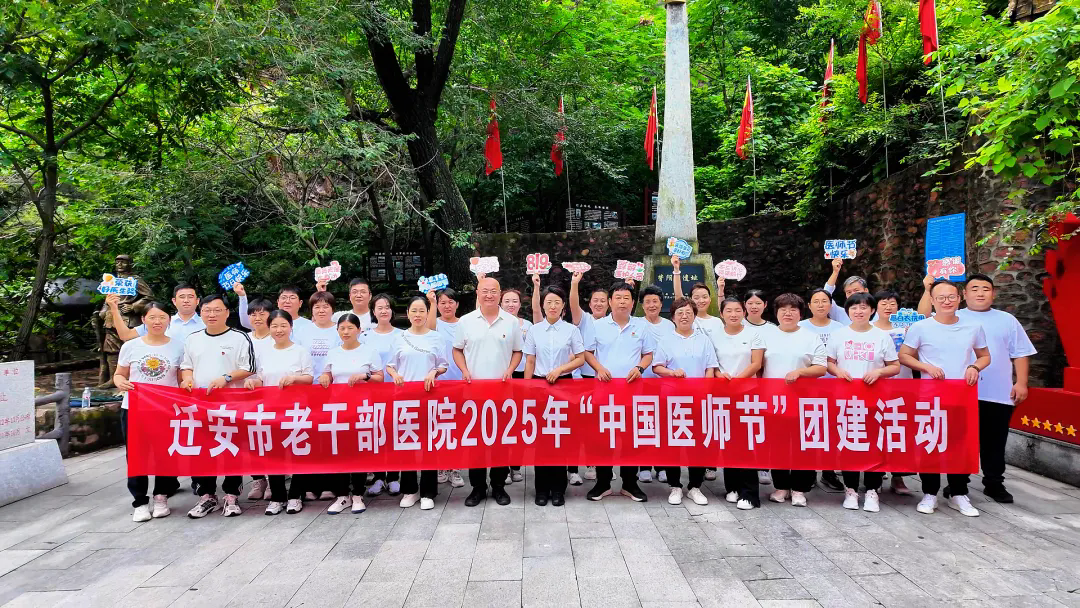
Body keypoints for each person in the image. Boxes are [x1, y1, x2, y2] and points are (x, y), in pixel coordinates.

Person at [899, 279, 991, 517]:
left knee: (960, 445)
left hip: (962, 395)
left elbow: (984, 356)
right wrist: (926, 367)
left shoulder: (973, 327)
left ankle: (958, 493)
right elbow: (904, 355)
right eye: (941, 297)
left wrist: (974, 367)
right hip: (930, 396)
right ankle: (929, 493)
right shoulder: (921, 327)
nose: (946, 301)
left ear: (959, 298)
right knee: (930, 443)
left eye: (951, 297)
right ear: (932, 300)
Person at [956, 273, 1036, 504]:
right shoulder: (954, 317)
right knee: (962, 440)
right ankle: (958, 484)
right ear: (964, 294)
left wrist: (1021, 382)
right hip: (961, 392)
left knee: (995, 440)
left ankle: (994, 483)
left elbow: (1020, 353)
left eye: (985, 289)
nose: (980, 293)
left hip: (998, 391)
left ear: (993, 293)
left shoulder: (1007, 320)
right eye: (974, 289)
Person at [180, 294, 256, 518]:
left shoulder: (240, 337)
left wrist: (226, 378)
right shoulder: (193, 339)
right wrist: (187, 379)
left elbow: (249, 367)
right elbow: (186, 366)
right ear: (200, 313)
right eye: (207, 310)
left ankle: (232, 495)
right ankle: (206, 496)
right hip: (200, 405)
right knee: (203, 449)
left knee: (231, 448)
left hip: (231, 404)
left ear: (226, 313)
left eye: (217, 310)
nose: (211, 314)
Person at [826, 293, 901, 512]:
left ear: (872, 310)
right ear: (848, 311)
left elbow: (895, 366)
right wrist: (837, 371)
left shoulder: (881, 336)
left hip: (875, 400)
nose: (859, 311)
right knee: (849, 443)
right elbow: (828, 362)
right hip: (845, 400)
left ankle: (872, 490)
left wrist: (879, 372)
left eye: (864, 307)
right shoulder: (839, 335)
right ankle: (850, 489)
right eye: (854, 308)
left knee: (875, 446)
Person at [453, 277, 523, 507]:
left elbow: (518, 351)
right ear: (477, 292)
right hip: (473, 394)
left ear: (500, 293)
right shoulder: (466, 321)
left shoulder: (511, 322)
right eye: (485, 291)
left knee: (501, 442)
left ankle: (499, 486)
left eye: (494, 291)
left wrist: (510, 370)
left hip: (502, 393)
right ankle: (477, 488)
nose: (489, 295)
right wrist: (464, 370)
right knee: (476, 444)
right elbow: (457, 350)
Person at [584, 282, 655, 502]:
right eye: (618, 297)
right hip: (604, 390)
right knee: (603, 438)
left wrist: (640, 368)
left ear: (633, 303)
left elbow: (649, 354)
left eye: (626, 298)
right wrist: (599, 368)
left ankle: (630, 483)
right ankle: (603, 483)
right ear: (610, 301)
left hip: (632, 391)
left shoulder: (642, 326)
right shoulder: (597, 325)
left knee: (630, 439)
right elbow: (587, 352)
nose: (622, 302)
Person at [113, 301, 184, 522]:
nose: (157, 322)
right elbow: (119, 374)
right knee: (136, 454)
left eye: (162, 317)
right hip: (135, 408)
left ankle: (161, 496)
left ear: (169, 320)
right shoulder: (131, 346)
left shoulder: (179, 347)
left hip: (166, 410)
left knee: (166, 453)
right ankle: (140, 502)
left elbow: (182, 380)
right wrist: (120, 382)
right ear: (143, 320)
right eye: (152, 317)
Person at [243, 310, 314, 515]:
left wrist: (294, 379)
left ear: (291, 327)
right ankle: (277, 497)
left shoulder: (300, 351)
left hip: (296, 410)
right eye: (274, 326)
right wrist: (253, 382)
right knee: (274, 455)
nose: (279, 330)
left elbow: (309, 378)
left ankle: (295, 495)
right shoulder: (265, 352)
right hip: (271, 410)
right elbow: (261, 378)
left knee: (298, 452)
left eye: (283, 325)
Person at [761, 293, 827, 507]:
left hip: (803, 401)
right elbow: (757, 364)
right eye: (783, 309)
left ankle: (800, 488)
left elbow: (821, 367)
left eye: (793, 309)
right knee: (777, 445)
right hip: (774, 401)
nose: (788, 313)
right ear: (776, 313)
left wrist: (800, 372)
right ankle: (781, 486)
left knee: (803, 445)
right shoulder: (766, 335)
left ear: (800, 313)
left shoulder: (810, 337)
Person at [652, 297, 719, 506]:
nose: (684, 316)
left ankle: (695, 486)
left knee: (698, 444)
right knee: (672, 444)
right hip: (672, 400)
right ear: (673, 317)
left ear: (694, 316)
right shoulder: (666, 340)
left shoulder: (704, 339)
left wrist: (706, 391)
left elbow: (710, 368)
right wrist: (671, 373)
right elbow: (657, 367)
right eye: (680, 313)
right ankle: (675, 486)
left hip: (698, 400)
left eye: (688, 312)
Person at [386, 296, 450, 510]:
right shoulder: (399, 337)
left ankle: (428, 492)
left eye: (422, 310)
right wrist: (395, 374)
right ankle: (409, 490)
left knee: (429, 444)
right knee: (408, 444)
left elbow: (444, 365)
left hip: (429, 397)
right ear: (407, 313)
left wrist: (434, 372)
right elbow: (390, 365)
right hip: (405, 399)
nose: (418, 315)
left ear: (427, 313)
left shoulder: (436, 337)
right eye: (414, 310)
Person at [523, 285, 586, 506]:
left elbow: (581, 358)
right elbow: (530, 361)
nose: (552, 306)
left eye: (557, 302)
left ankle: (558, 489)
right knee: (541, 440)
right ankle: (541, 489)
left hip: (564, 386)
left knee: (560, 438)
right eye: (549, 302)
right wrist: (527, 389)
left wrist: (560, 370)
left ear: (563, 306)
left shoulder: (571, 330)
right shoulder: (534, 330)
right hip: (539, 385)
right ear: (543, 305)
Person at [320, 313, 385, 515]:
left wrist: (365, 376)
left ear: (359, 330)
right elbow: (327, 373)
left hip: (361, 410)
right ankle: (342, 496)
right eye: (342, 328)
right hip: (338, 411)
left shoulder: (369, 351)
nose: (346, 332)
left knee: (359, 452)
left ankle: (357, 494)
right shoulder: (333, 353)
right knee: (340, 453)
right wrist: (324, 376)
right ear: (337, 330)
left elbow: (380, 377)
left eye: (350, 328)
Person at [710, 297, 765, 509]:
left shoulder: (753, 334)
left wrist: (737, 380)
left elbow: (756, 363)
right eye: (729, 311)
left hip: (747, 395)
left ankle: (749, 493)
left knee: (746, 443)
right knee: (728, 440)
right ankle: (732, 487)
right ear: (721, 314)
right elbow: (712, 363)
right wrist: (719, 374)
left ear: (744, 312)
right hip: (722, 394)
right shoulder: (714, 336)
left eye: (737, 310)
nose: (733, 314)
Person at [799, 288, 847, 491]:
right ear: (809, 305)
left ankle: (829, 472)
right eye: (816, 301)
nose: (820, 305)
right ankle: (808, 473)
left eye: (824, 301)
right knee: (809, 430)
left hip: (834, 387)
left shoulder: (841, 328)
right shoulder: (801, 327)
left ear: (830, 305)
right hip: (807, 388)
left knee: (832, 432)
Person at [870, 289, 916, 496]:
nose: (888, 307)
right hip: (876, 388)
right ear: (875, 307)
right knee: (876, 431)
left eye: (892, 303)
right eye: (883, 303)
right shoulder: (868, 328)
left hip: (903, 387)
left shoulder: (907, 329)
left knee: (900, 432)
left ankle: (898, 476)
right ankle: (876, 474)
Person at [568, 272, 610, 482]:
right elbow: (573, 305)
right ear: (590, 303)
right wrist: (575, 283)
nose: (599, 303)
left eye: (603, 300)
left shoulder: (613, 323)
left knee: (600, 426)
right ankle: (573, 470)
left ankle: (596, 465)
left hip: (606, 381)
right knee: (578, 426)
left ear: (609, 303)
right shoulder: (584, 319)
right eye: (596, 300)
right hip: (583, 380)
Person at [363, 294, 405, 497]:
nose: (384, 311)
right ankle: (378, 477)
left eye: (387, 307)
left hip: (397, 391)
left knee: (395, 432)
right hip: (373, 392)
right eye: (379, 307)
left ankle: (394, 477)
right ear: (373, 311)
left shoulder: (402, 335)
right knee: (377, 434)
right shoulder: (365, 336)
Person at [426, 288, 466, 488]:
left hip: (461, 382)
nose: (447, 306)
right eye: (443, 302)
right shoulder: (434, 323)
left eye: (451, 302)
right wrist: (432, 302)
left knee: (458, 427)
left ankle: (456, 468)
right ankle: (442, 466)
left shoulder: (464, 323)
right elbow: (429, 330)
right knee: (440, 427)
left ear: (457, 304)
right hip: (439, 383)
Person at [243, 297, 276, 502]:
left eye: (262, 313)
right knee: (251, 438)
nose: (257, 317)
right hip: (247, 395)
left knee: (271, 437)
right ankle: (258, 479)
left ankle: (273, 479)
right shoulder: (243, 339)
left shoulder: (277, 337)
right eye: (253, 314)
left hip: (272, 395)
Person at [501, 288, 533, 484]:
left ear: (520, 304)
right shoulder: (496, 323)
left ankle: (516, 466)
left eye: (514, 301)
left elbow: (530, 355)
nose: (511, 304)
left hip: (522, 376)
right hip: (501, 376)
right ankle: (503, 467)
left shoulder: (528, 325)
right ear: (500, 303)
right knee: (503, 422)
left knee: (519, 422)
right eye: (507, 301)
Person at [112, 283, 205, 343]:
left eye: (190, 297)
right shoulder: (161, 321)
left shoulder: (207, 323)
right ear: (174, 301)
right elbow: (126, 335)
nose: (186, 300)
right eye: (182, 297)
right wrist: (114, 309)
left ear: (197, 301)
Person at [238, 284, 315, 334]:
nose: (287, 301)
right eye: (284, 297)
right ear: (278, 302)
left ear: (300, 303)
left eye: (292, 298)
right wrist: (242, 296)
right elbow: (245, 322)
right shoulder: (268, 321)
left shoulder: (309, 325)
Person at [823, 259, 870, 324]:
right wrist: (835, 272)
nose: (853, 294)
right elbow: (825, 295)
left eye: (856, 290)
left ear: (866, 291)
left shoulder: (878, 313)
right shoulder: (839, 313)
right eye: (849, 292)